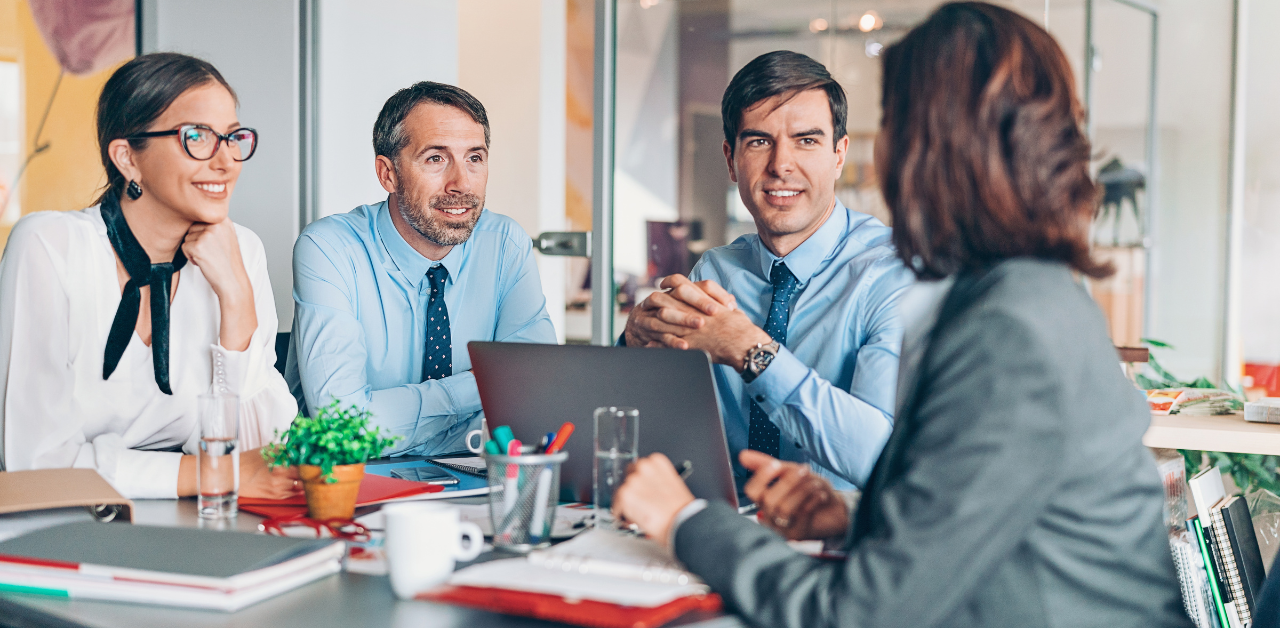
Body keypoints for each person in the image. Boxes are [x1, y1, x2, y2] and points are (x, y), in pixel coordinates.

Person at [613, 3, 1192, 627]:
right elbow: (982, 511)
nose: (881, 152)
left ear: (934, 146)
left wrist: (685, 522)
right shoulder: (1016, 296)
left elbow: (863, 613)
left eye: (894, 124)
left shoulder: (1009, 330)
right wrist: (855, 518)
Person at [0, 53, 300, 500]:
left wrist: (237, 302)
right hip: (65, 526)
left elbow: (262, 455)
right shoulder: (50, 246)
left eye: (232, 138)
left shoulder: (240, 251)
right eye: (196, 136)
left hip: (197, 524)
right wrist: (208, 474)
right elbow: (38, 462)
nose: (226, 162)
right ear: (127, 159)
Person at [622, 51, 913, 491]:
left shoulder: (893, 275)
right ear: (730, 158)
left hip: (835, 538)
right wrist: (633, 346)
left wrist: (751, 350)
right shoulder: (716, 271)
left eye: (806, 141)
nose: (781, 165)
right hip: (720, 523)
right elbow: (658, 426)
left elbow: (881, 458)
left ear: (839, 154)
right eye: (759, 141)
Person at [287, 82, 556, 455]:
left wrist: (389, 417)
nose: (461, 183)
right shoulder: (331, 248)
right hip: (348, 488)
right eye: (436, 158)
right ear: (388, 174)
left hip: (475, 485)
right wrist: (486, 386)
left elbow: (538, 403)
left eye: (474, 158)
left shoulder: (505, 244)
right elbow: (343, 429)